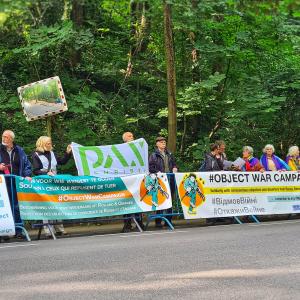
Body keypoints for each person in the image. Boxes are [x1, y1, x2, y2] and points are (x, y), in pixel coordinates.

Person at [32, 136, 72, 237]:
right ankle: (48, 230)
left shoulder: (52, 153)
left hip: (54, 182)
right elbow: (36, 171)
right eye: (48, 143)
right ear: (42, 144)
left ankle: (59, 228)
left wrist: (68, 153)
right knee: (47, 205)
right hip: (44, 183)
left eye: (50, 143)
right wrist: (45, 174)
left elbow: (62, 162)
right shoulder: (36, 154)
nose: (50, 145)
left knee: (57, 204)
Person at [0, 130, 32, 241]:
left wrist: (27, 175)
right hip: (2, 184)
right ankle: (4, 231)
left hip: (16, 182)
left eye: (6, 137)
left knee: (17, 207)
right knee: (3, 207)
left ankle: (18, 231)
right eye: (3, 136)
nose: (4, 139)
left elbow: (27, 164)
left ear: (12, 139)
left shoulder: (19, 150)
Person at [149, 136, 177, 228]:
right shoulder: (153, 155)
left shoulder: (169, 154)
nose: (163, 143)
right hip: (159, 180)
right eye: (161, 142)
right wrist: (157, 172)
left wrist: (175, 168)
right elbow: (150, 168)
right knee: (160, 199)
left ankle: (169, 220)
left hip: (169, 179)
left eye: (164, 142)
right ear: (157, 144)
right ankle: (158, 221)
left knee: (170, 200)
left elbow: (174, 164)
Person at [121, 132, 145, 232]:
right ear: (124, 139)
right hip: (125, 179)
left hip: (135, 179)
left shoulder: (137, 149)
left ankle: (139, 223)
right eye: (129, 136)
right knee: (126, 202)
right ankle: (127, 224)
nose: (132, 137)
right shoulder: (120, 149)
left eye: (132, 136)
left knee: (137, 200)